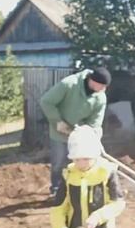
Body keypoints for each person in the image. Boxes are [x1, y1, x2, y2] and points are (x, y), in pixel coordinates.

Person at [50, 125, 125, 228]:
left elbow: (118, 203)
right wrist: (60, 227)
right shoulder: (68, 175)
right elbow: (58, 207)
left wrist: (98, 217)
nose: (81, 163)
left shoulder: (107, 172)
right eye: (76, 159)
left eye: (86, 158)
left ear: (95, 154)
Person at [41, 67, 111, 196]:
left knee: (79, 164)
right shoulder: (69, 84)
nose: (103, 90)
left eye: (105, 87)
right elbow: (46, 102)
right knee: (58, 162)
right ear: (92, 81)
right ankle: (56, 190)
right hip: (60, 133)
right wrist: (57, 121)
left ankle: (75, 190)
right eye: (101, 86)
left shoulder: (100, 97)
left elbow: (95, 122)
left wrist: (91, 135)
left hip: (80, 136)